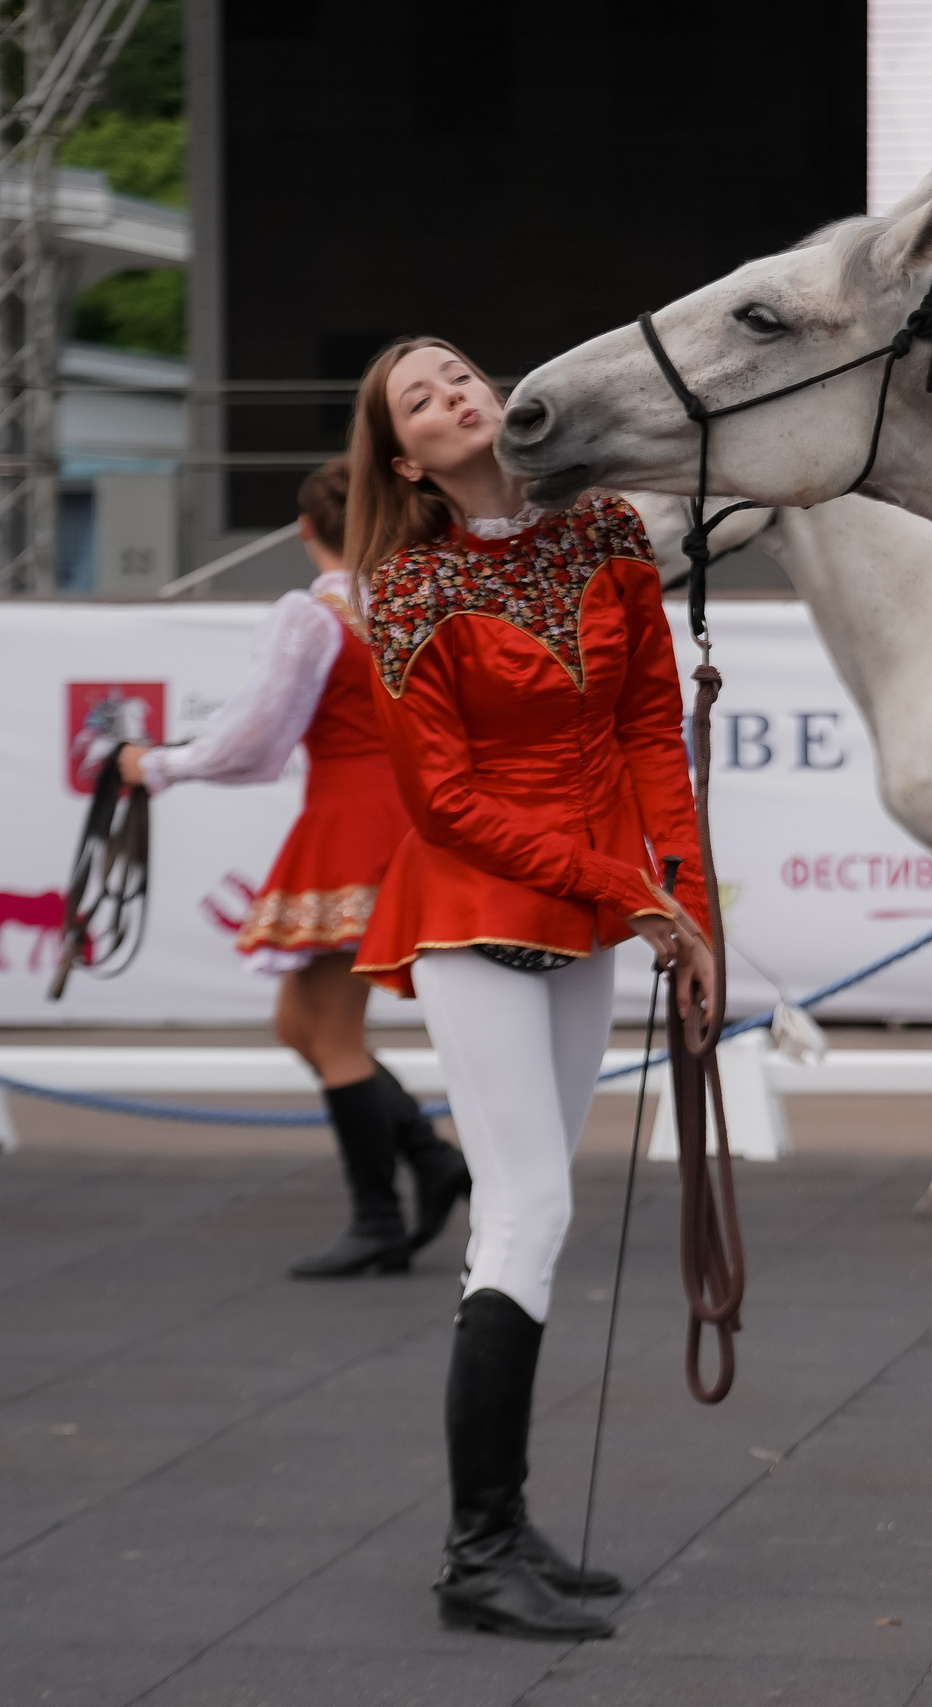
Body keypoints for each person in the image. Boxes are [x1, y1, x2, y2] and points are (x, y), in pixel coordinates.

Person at [344, 336, 717, 1640]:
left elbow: (648, 731)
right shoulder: (404, 591)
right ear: (405, 458)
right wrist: (630, 891)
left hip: (601, 910)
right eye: (420, 398)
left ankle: (502, 1522)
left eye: (460, 373)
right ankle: (476, 1550)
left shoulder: (606, 530)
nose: (453, 393)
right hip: (473, 914)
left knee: (526, 1216)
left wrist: (692, 918)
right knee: (530, 1209)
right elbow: (441, 802)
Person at [120, 457, 471, 1276]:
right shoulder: (422, 602)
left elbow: (254, 740)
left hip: (350, 823)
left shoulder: (315, 616)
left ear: (306, 530)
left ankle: (379, 1214)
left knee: (332, 1032)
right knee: (299, 1025)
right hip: (404, 819)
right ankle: (429, 1156)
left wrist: (159, 764)